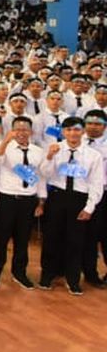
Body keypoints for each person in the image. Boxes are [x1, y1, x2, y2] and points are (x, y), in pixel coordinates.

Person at [39, 116, 105, 294]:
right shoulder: (55, 149)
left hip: (79, 199)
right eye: (68, 130)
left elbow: (96, 183)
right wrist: (50, 157)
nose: (72, 133)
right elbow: (45, 173)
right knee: (52, 237)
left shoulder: (93, 155)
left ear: (82, 131)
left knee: (76, 241)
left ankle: (73, 279)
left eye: (76, 129)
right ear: (63, 132)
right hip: (57, 197)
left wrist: (89, 207)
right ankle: (48, 274)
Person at [0, 116, 44, 288]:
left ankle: (19, 273)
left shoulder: (38, 151)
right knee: (1, 237)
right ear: (12, 131)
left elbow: (40, 177)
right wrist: (5, 141)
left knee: (22, 239)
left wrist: (41, 202)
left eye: (25, 129)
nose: (21, 132)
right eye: (17, 129)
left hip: (28, 200)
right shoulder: (5, 147)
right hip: (8, 199)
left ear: (31, 132)